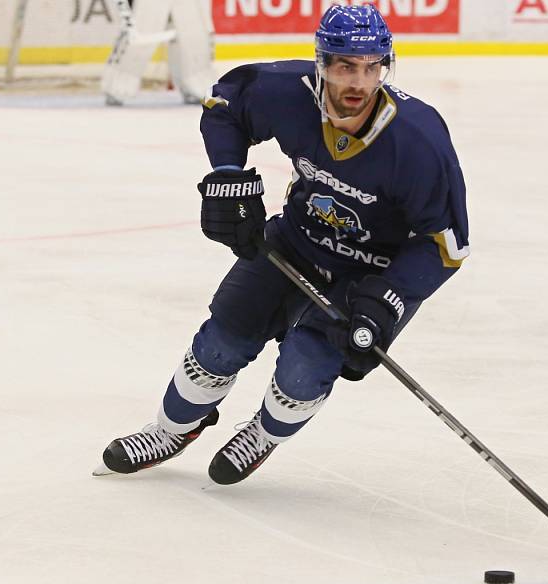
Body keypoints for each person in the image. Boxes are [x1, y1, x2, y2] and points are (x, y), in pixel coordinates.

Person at [94, 4, 470, 485]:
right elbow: (225, 109)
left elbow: (446, 244)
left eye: (372, 67)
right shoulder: (289, 95)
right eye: (345, 67)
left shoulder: (418, 141)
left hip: (368, 276)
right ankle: (173, 428)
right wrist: (229, 178)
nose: (358, 82)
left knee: (305, 367)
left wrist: (390, 297)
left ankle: (263, 435)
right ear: (322, 65)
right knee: (221, 341)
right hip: (294, 241)